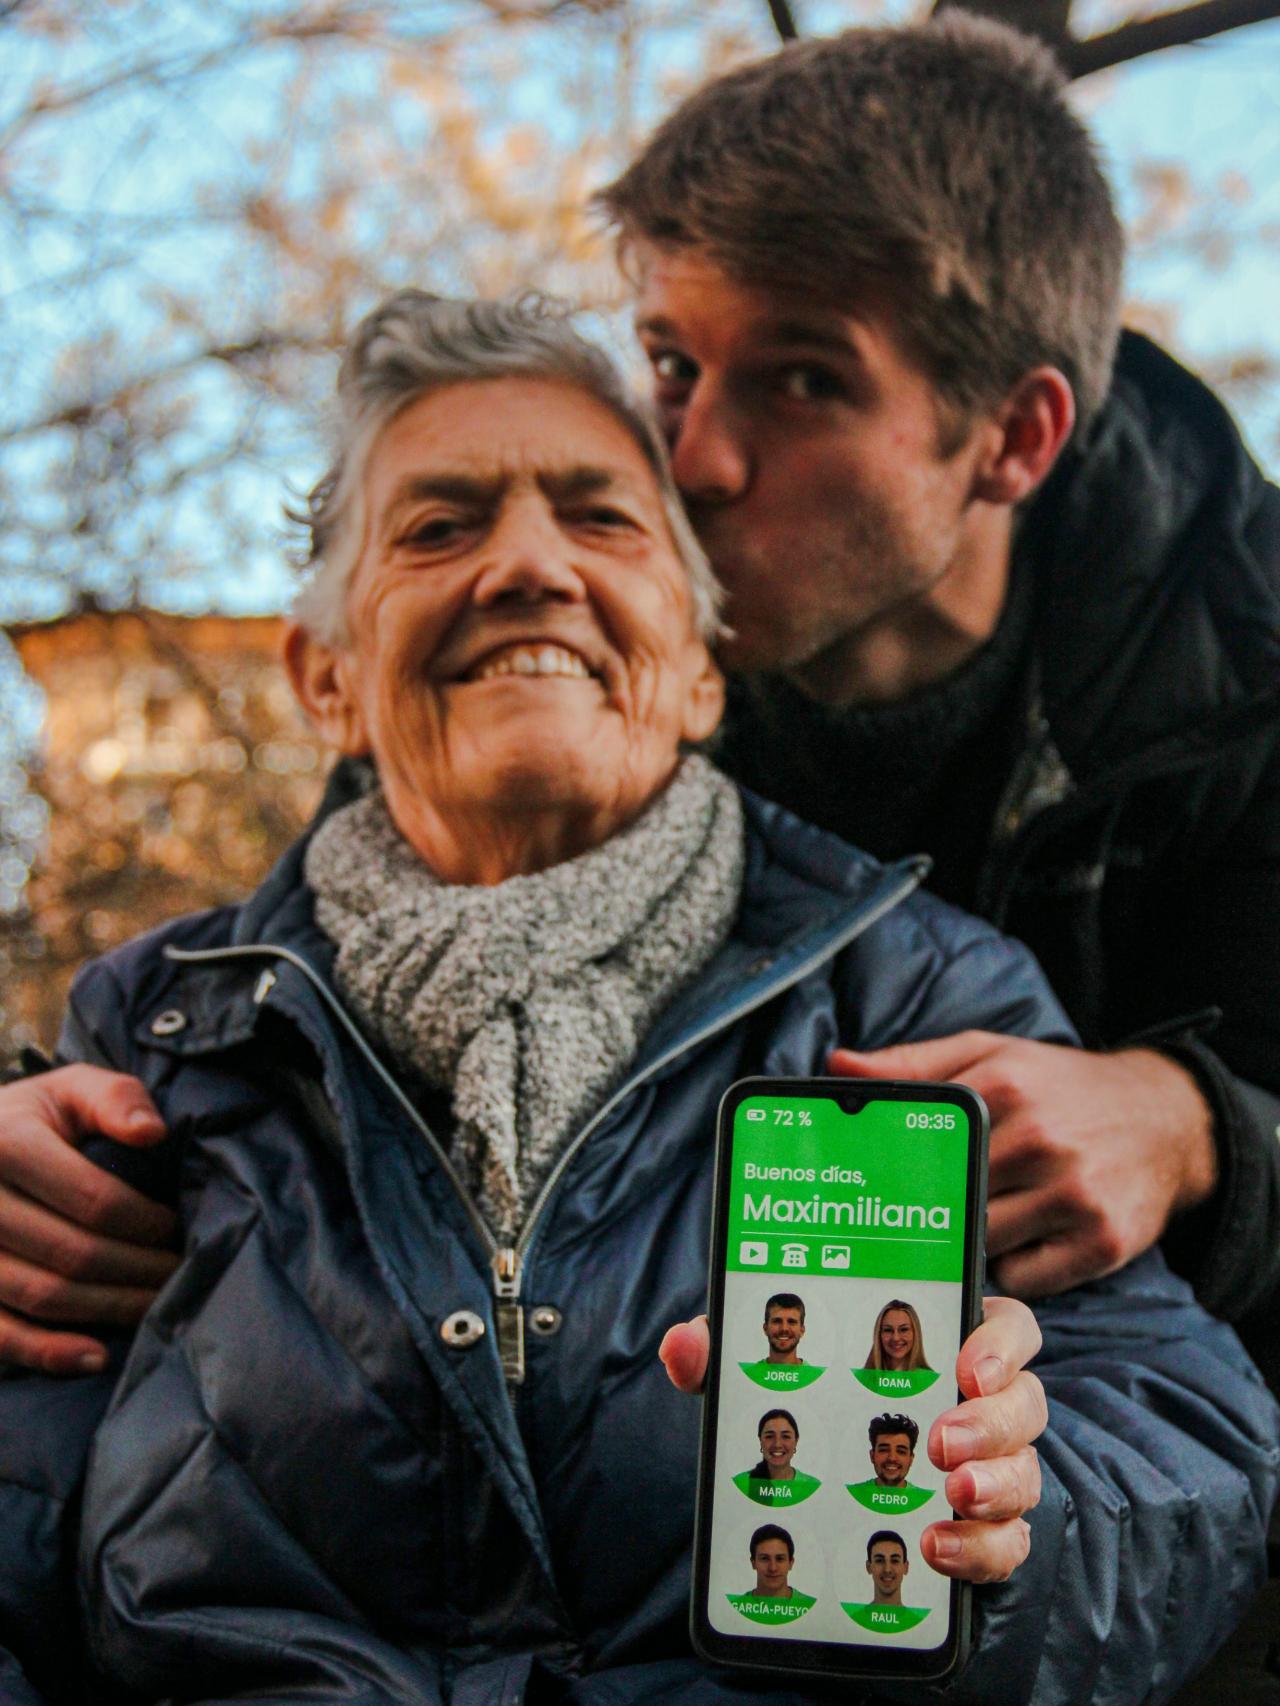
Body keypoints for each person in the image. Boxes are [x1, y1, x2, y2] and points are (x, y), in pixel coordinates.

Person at [0, 291, 1275, 1706]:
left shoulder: (922, 983)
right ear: (325, 680)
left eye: (602, 518)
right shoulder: (153, 1034)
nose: (529, 565)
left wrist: (1016, 1536)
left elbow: (1188, 1440)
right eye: (439, 526)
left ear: (698, 668)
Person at [3, 12, 1279, 1367]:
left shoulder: (1243, 680)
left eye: (803, 379)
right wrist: (46, 1138)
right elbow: (314, 989)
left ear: (1013, 437)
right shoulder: (574, 657)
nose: (696, 456)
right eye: (673, 363)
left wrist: (1202, 1128)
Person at [864, 1299, 931, 1372]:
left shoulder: (929, 1379)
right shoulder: (864, 1379)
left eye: (904, 1330)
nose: (896, 1338)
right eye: (888, 1330)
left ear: (915, 1333)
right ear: (879, 1335)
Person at [747, 1525, 799, 1599]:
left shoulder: (810, 1605)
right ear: (753, 1563)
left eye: (780, 1559)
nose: (773, 1568)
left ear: (791, 1563)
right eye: (764, 1558)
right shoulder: (735, 1606)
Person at [868, 1414, 918, 1488]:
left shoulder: (927, 1497)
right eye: (884, 1450)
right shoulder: (852, 1492)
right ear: (872, 1456)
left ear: (911, 1459)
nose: (892, 1458)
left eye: (901, 1451)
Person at [865, 1531, 910, 1608]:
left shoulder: (915, 1619)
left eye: (895, 1561)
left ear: (905, 1567)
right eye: (879, 1561)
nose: (887, 1569)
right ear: (869, 1567)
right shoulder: (853, 1618)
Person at [761, 1292, 805, 1364]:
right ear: (765, 1328)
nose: (784, 1328)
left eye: (791, 1322)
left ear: (802, 1330)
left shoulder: (816, 1374)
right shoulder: (748, 1373)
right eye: (777, 1321)